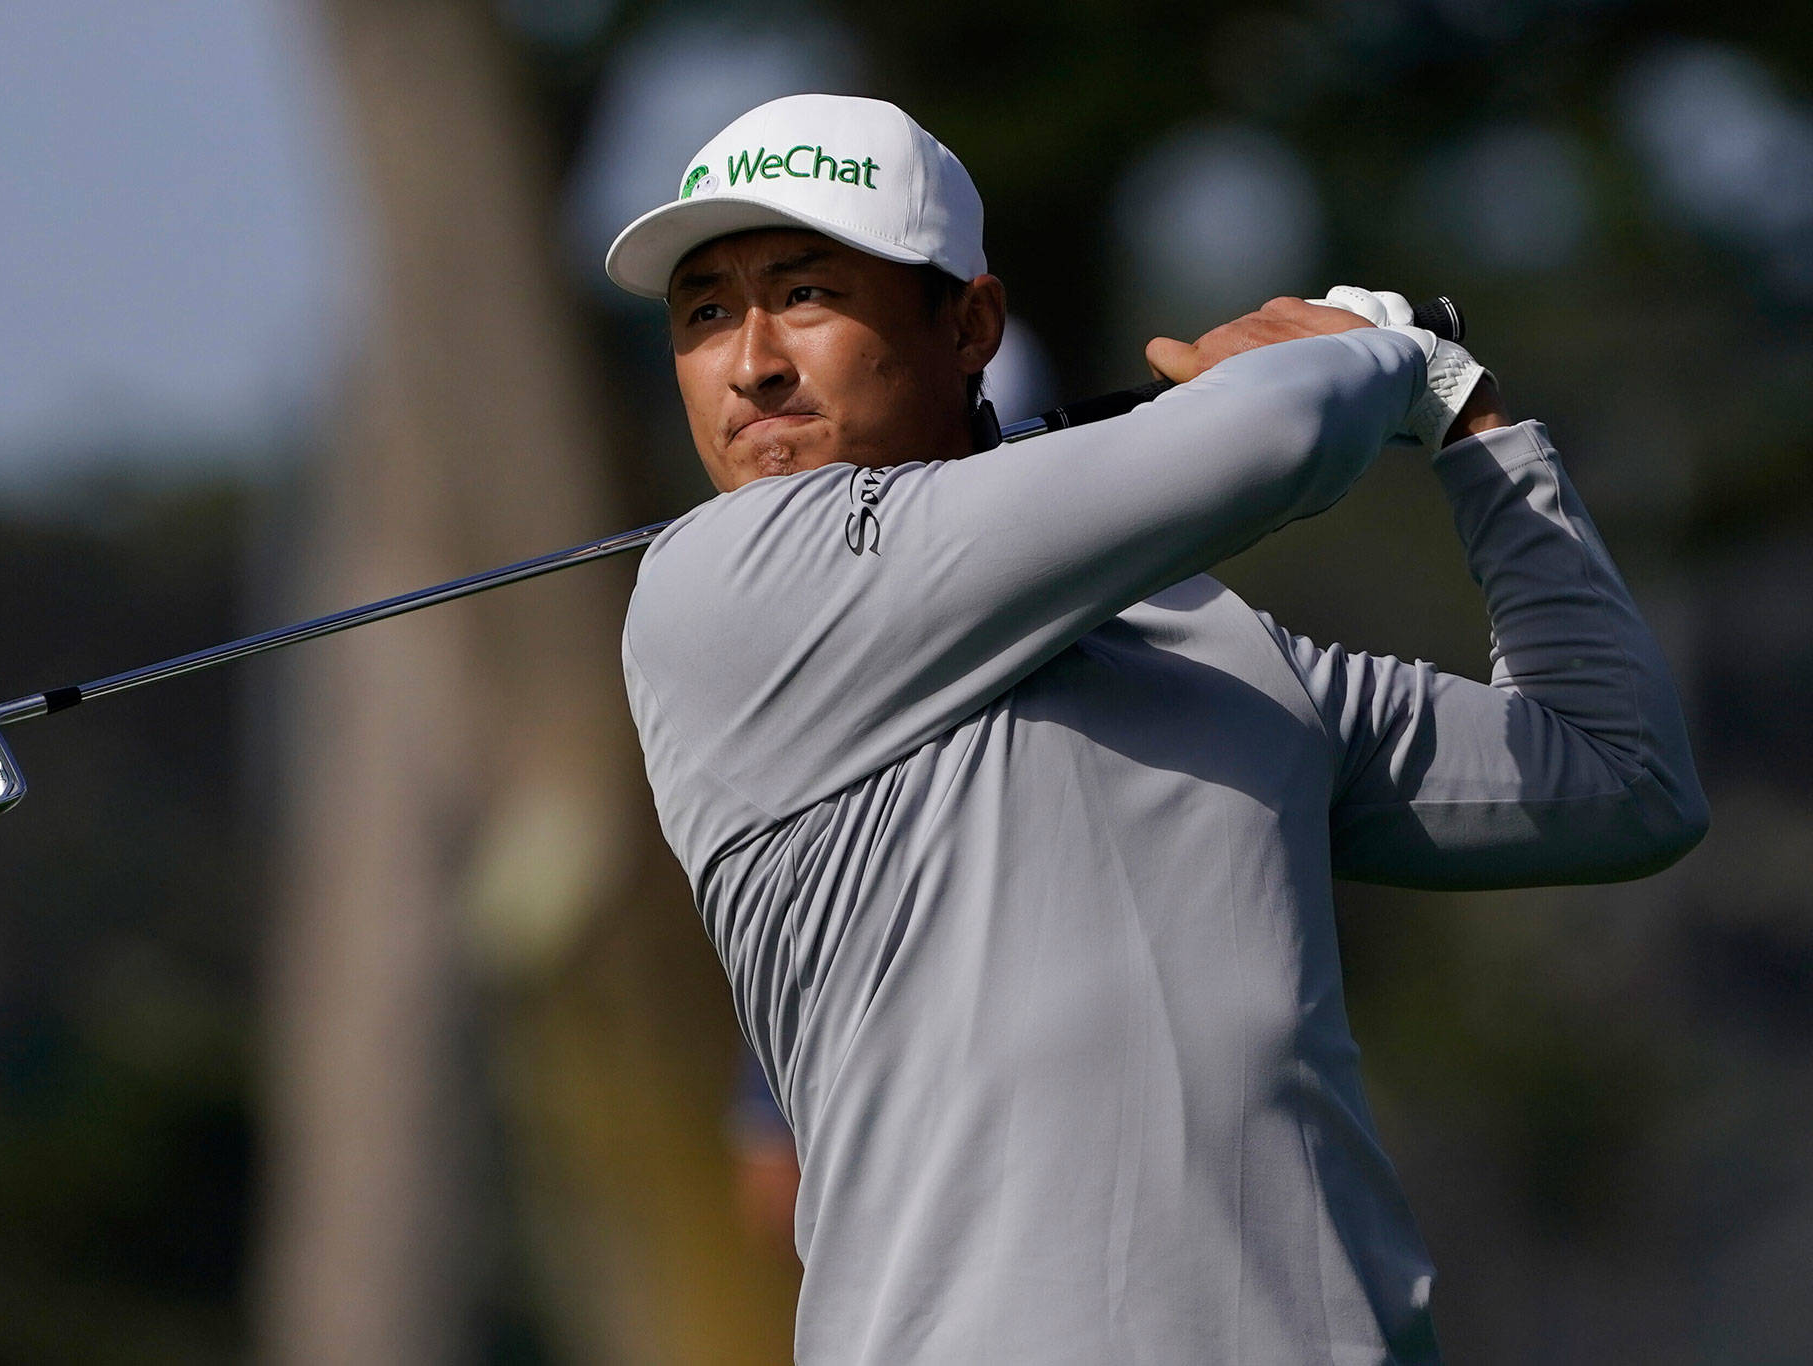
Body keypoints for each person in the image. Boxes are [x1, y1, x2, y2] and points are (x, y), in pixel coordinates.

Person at [604, 93, 1708, 1364]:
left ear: (968, 324)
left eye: (804, 294)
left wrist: (1472, 424)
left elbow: (1620, 777)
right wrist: (1378, 348)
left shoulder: (1208, 642)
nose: (750, 362)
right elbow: (1268, 433)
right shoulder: (723, 588)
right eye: (703, 314)